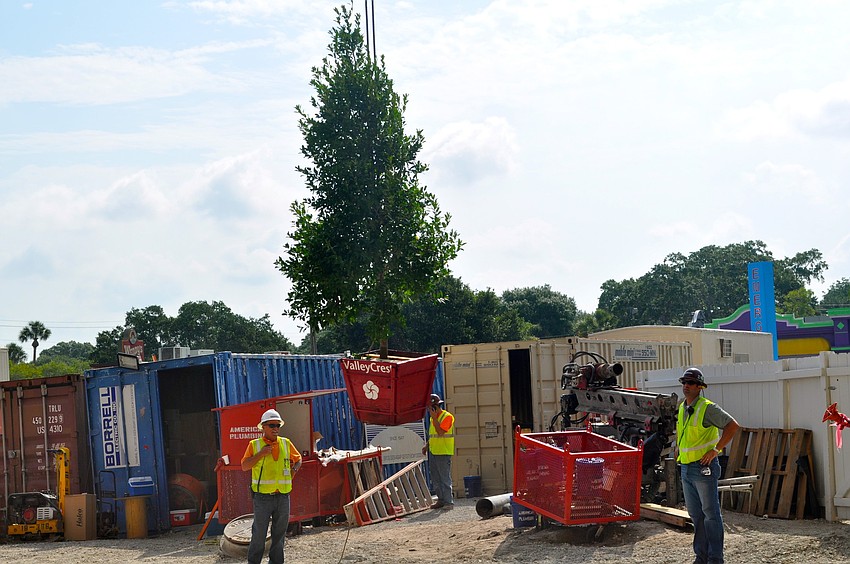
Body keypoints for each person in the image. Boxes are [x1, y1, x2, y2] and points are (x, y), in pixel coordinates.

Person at [676, 367, 740, 564]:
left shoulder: (707, 408)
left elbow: (733, 426)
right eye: (684, 382)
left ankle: (715, 559)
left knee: (710, 515)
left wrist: (716, 450)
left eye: (691, 383)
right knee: (696, 515)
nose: (686, 386)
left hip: (703, 468)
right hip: (686, 468)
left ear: (700, 387)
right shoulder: (682, 407)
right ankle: (701, 557)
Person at [241, 408, 302, 564]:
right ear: (263, 427)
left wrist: (294, 471)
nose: (276, 428)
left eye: (277, 425)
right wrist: (261, 454)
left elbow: (298, 459)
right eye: (272, 425)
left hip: (283, 496)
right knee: (259, 534)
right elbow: (245, 466)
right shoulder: (254, 445)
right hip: (262, 498)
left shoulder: (286, 443)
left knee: (279, 535)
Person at [422, 393, 455, 510]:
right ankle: (441, 500)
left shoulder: (447, 417)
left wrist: (435, 418)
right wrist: (427, 446)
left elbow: (440, 432)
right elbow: (433, 435)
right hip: (434, 451)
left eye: (430, 408)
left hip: (443, 452)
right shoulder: (433, 418)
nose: (428, 410)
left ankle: (449, 502)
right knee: (436, 478)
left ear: (435, 407)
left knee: (444, 478)